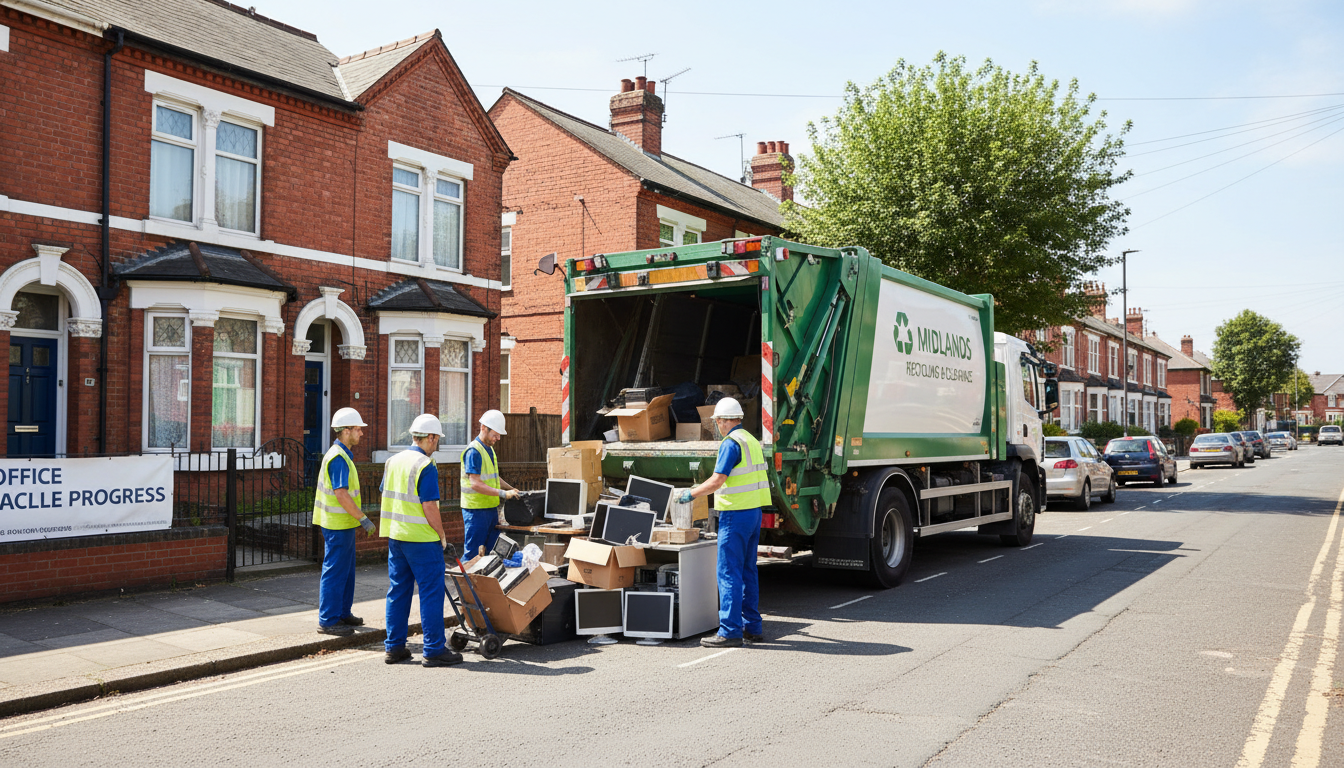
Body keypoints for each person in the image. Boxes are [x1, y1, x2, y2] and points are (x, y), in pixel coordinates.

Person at [678, 397, 767, 648]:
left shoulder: (730, 444)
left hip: (735, 515)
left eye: (717, 421)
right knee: (748, 570)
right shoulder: (751, 440)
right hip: (753, 512)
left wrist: (691, 493)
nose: (717, 425)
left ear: (724, 421)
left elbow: (717, 480)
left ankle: (729, 631)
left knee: (728, 572)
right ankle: (753, 626)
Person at [381, 413, 458, 667]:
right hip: (422, 540)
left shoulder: (392, 461)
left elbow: (387, 493)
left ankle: (394, 647)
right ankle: (434, 648)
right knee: (430, 592)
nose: (437, 445)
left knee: (398, 591)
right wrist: (442, 536)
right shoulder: (425, 465)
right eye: (437, 440)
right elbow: (429, 506)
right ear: (431, 438)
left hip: (396, 537)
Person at [313, 407, 377, 637]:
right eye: (358, 429)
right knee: (335, 571)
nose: (361, 433)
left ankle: (342, 613)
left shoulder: (342, 455)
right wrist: (362, 518)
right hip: (337, 525)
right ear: (345, 431)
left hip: (343, 525)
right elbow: (341, 494)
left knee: (347, 571)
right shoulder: (338, 458)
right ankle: (328, 620)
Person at [460, 409, 520, 560]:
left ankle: (483, 583)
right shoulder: (474, 451)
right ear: (483, 428)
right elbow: (475, 483)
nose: (498, 438)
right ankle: (466, 583)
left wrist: (509, 488)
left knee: (491, 553)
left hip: (490, 510)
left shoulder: (489, 450)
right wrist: (503, 494)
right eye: (495, 434)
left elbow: (494, 478)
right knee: (473, 554)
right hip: (476, 512)